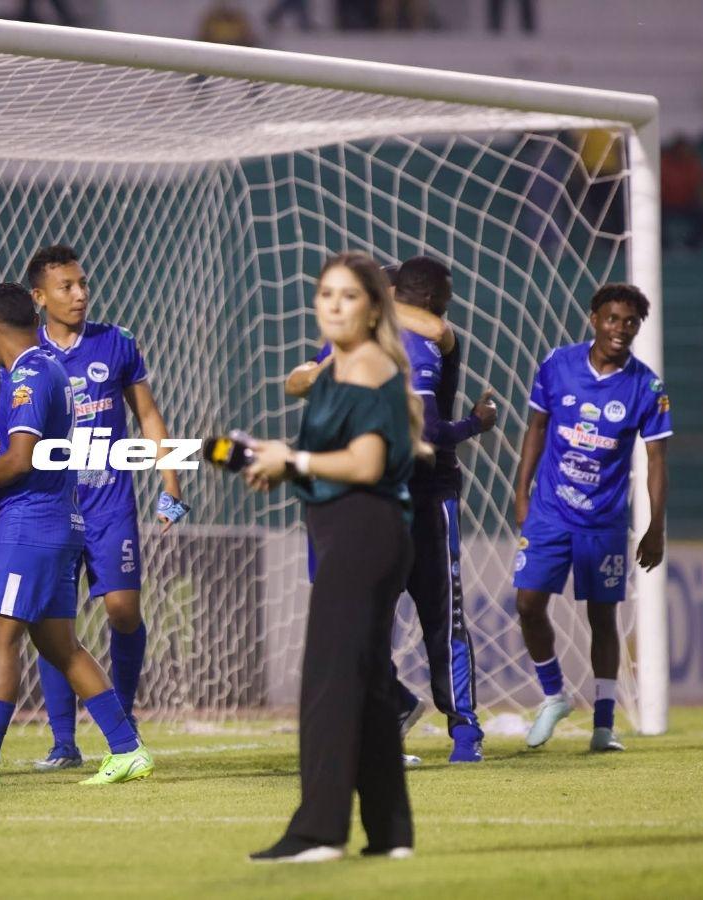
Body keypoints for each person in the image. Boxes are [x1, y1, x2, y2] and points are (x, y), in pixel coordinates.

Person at [0, 282, 152, 787]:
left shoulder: (27, 373)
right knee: (61, 647)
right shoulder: (49, 367)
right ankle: (128, 749)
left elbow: (20, 458)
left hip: (29, 524)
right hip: (58, 521)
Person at [245, 252, 425, 862]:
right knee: (367, 685)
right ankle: (390, 834)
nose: (335, 305)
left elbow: (365, 465)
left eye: (349, 296)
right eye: (326, 294)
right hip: (346, 531)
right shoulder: (332, 373)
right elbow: (323, 463)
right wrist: (279, 466)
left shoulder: (370, 365)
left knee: (330, 682)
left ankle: (320, 833)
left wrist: (293, 460)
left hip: (364, 534)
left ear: (374, 309)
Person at [286, 257, 495, 763]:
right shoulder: (351, 343)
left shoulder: (423, 345)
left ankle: (465, 731)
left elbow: (425, 430)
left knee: (441, 615)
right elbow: (300, 380)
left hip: (425, 498)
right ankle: (394, 709)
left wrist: (469, 426)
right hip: (363, 500)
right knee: (358, 620)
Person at [20, 244, 188, 771]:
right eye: (66, 286)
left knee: (122, 609)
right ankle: (63, 742)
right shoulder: (28, 356)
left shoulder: (117, 342)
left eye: (83, 283)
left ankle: (124, 713)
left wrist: (171, 484)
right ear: (39, 297)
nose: (79, 294)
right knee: (54, 621)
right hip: (53, 506)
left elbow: (148, 415)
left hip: (110, 502)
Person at [513, 283, 671, 752]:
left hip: (603, 522)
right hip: (550, 510)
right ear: (594, 318)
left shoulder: (646, 387)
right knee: (527, 605)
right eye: (612, 318)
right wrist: (521, 492)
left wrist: (655, 528)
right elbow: (536, 427)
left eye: (630, 322)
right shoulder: (558, 364)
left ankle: (603, 725)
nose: (620, 328)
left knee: (603, 617)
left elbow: (657, 461)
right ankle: (554, 696)